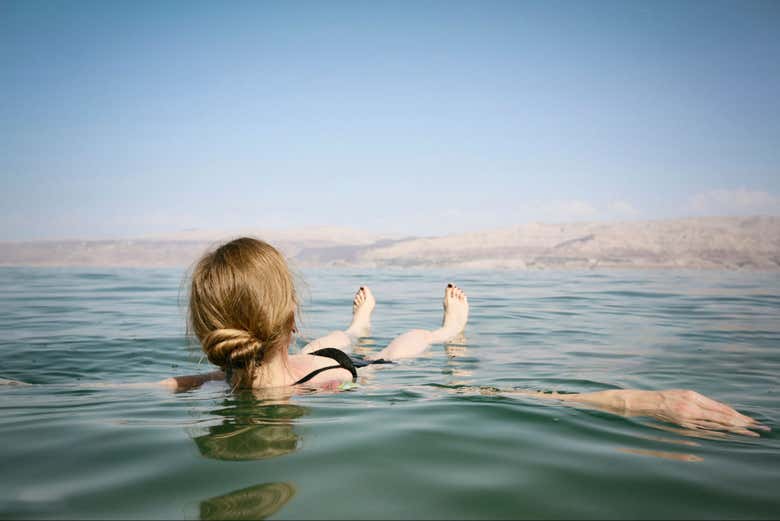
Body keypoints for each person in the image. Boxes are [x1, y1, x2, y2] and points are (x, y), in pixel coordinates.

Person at [161, 237, 768, 437]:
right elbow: (481, 398)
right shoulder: (324, 392)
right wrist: (632, 401)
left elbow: (168, 383)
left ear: (207, 331)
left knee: (343, 333)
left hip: (310, 356)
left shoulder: (213, 379)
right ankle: (447, 330)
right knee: (401, 349)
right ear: (287, 318)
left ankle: (360, 321)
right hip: (342, 366)